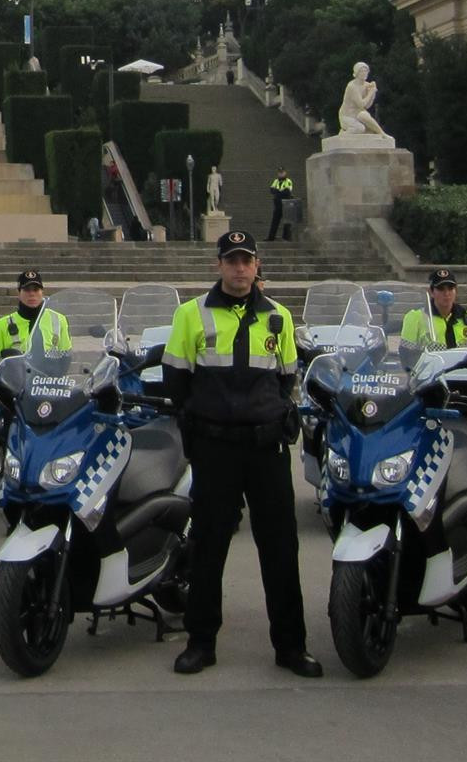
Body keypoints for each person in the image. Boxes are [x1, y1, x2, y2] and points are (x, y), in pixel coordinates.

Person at [163, 231, 321, 678]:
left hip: (266, 448)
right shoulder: (190, 315)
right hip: (215, 448)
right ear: (219, 265)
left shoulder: (279, 317)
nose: (239, 268)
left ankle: (291, 647)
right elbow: (175, 382)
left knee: (280, 550)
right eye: (231, 260)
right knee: (208, 547)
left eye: (246, 260)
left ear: (257, 266)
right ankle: (201, 642)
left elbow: (287, 380)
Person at [0, 269, 71, 356]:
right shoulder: (1, 325)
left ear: (42, 292)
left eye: (36, 289)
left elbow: (66, 357)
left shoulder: (59, 319)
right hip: (16, 369)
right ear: (19, 293)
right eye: (27, 290)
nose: (31, 294)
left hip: (49, 369)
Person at [400, 268, 467, 351]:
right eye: (441, 289)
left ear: (456, 291)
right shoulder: (415, 318)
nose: (446, 293)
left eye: (450, 288)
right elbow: (407, 356)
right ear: (431, 292)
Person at [266, 169, 294, 242]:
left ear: (285, 173)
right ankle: (271, 237)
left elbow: (287, 192)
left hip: (286, 203)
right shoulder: (276, 181)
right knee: (275, 221)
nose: (281, 174)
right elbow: (271, 190)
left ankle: (286, 237)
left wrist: (277, 192)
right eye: (279, 173)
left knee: (287, 221)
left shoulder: (288, 181)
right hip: (277, 204)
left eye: (282, 173)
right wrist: (279, 192)